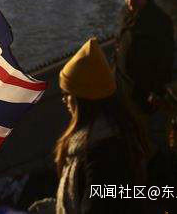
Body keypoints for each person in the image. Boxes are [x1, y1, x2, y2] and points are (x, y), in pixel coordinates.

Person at [54, 38, 149, 214]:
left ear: (81, 100)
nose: (64, 100)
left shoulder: (98, 153)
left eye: (67, 94)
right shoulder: (120, 132)